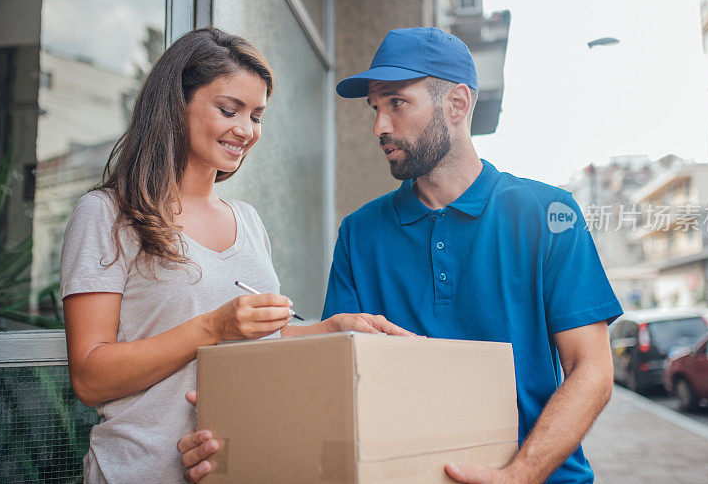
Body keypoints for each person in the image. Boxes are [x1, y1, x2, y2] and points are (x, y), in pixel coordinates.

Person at [180, 27, 622, 483]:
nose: (379, 126)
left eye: (397, 103)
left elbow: (591, 370)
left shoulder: (548, 214)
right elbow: (333, 378)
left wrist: (520, 475)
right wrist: (232, 420)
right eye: (375, 107)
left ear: (457, 104)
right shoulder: (359, 234)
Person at [61, 27, 410, 484]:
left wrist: (330, 329)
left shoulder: (247, 221)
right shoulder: (108, 214)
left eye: (257, 116)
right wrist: (212, 327)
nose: (246, 131)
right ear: (174, 104)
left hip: (239, 470)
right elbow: (90, 377)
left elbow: (261, 342)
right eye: (230, 110)